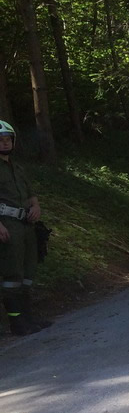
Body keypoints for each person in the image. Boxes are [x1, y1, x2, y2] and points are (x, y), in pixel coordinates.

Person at [0, 119, 52, 335]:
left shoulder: (18, 167)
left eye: (7, 139)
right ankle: (17, 323)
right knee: (12, 276)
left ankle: (29, 318)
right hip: (8, 226)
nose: (4, 143)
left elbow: (31, 194)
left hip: (26, 226)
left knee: (28, 273)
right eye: (0, 140)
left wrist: (36, 206)